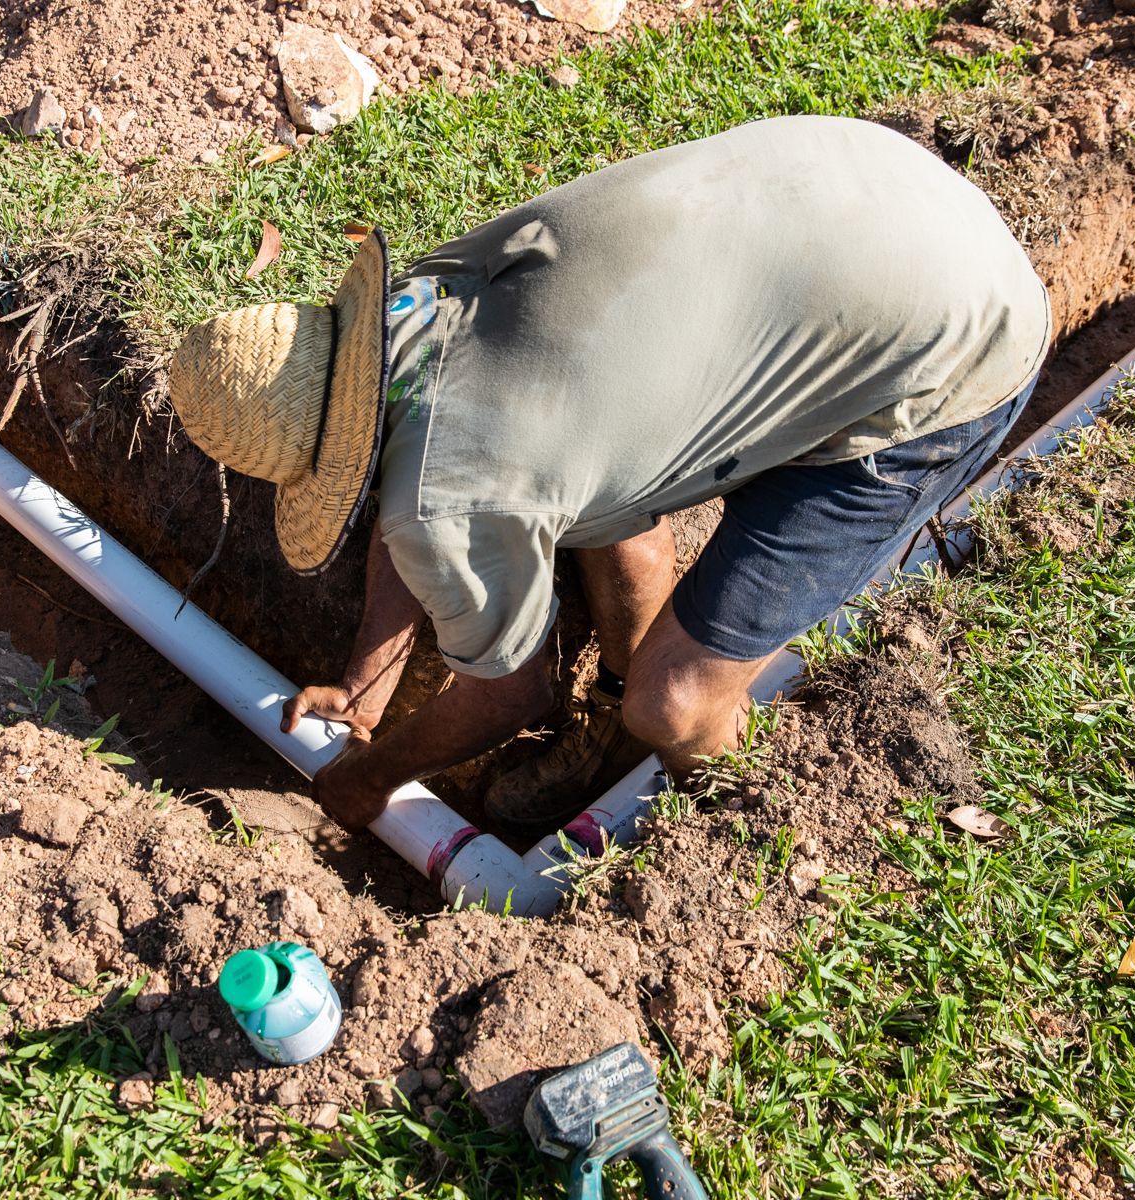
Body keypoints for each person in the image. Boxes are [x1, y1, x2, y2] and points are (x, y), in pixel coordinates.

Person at [166, 115, 1051, 837]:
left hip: (950, 355)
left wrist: (370, 782)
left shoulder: (443, 497)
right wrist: (368, 683)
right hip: (872, 181)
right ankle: (619, 712)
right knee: (587, 493)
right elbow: (415, 469)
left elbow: (511, 691)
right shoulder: (428, 295)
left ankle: (719, 823)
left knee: (672, 703)